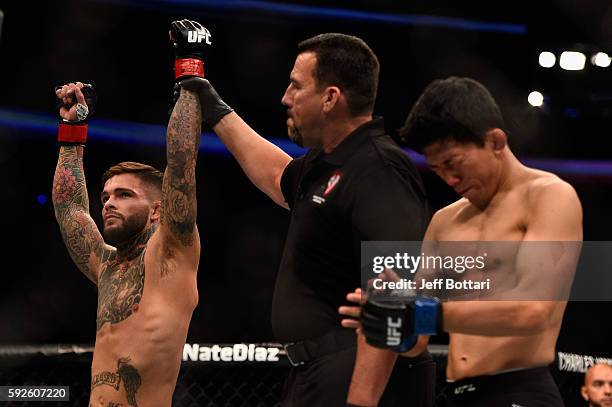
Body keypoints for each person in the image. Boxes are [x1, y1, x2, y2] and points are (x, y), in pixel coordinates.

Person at [184, 33, 434, 406]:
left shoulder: (380, 169)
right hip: (317, 373)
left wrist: (361, 401)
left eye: (297, 86)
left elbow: (403, 291)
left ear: (331, 98)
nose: (286, 97)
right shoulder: (329, 163)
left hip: (358, 377)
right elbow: (276, 175)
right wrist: (215, 108)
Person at [340, 76, 583, 406]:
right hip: (457, 393)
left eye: (453, 163)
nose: (449, 179)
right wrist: (391, 316)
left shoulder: (549, 197)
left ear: (495, 141)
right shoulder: (445, 221)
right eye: (437, 169)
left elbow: (534, 311)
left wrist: (423, 313)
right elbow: (417, 342)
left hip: (520, 391)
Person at [51, 19, 210, 406]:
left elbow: (181, 162)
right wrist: (74, 130)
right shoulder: (106, 267)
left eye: (123, 195)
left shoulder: (171, 255)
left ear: (158, 210)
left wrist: (190, 66)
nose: (107, 203)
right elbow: (69, 206)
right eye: (105, 196)